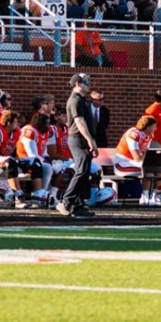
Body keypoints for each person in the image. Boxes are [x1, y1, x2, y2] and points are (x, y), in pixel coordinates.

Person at [57, 73, 101, 218]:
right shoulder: (75, 100)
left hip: (80, 139)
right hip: (77, 138)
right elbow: (79, 122)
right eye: (85, 82)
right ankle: (67, 201)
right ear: (77, 84)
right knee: (82, 170)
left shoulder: (81, 100)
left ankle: (77, 204)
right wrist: (90, 140)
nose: (88, 84)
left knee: (85, 171)